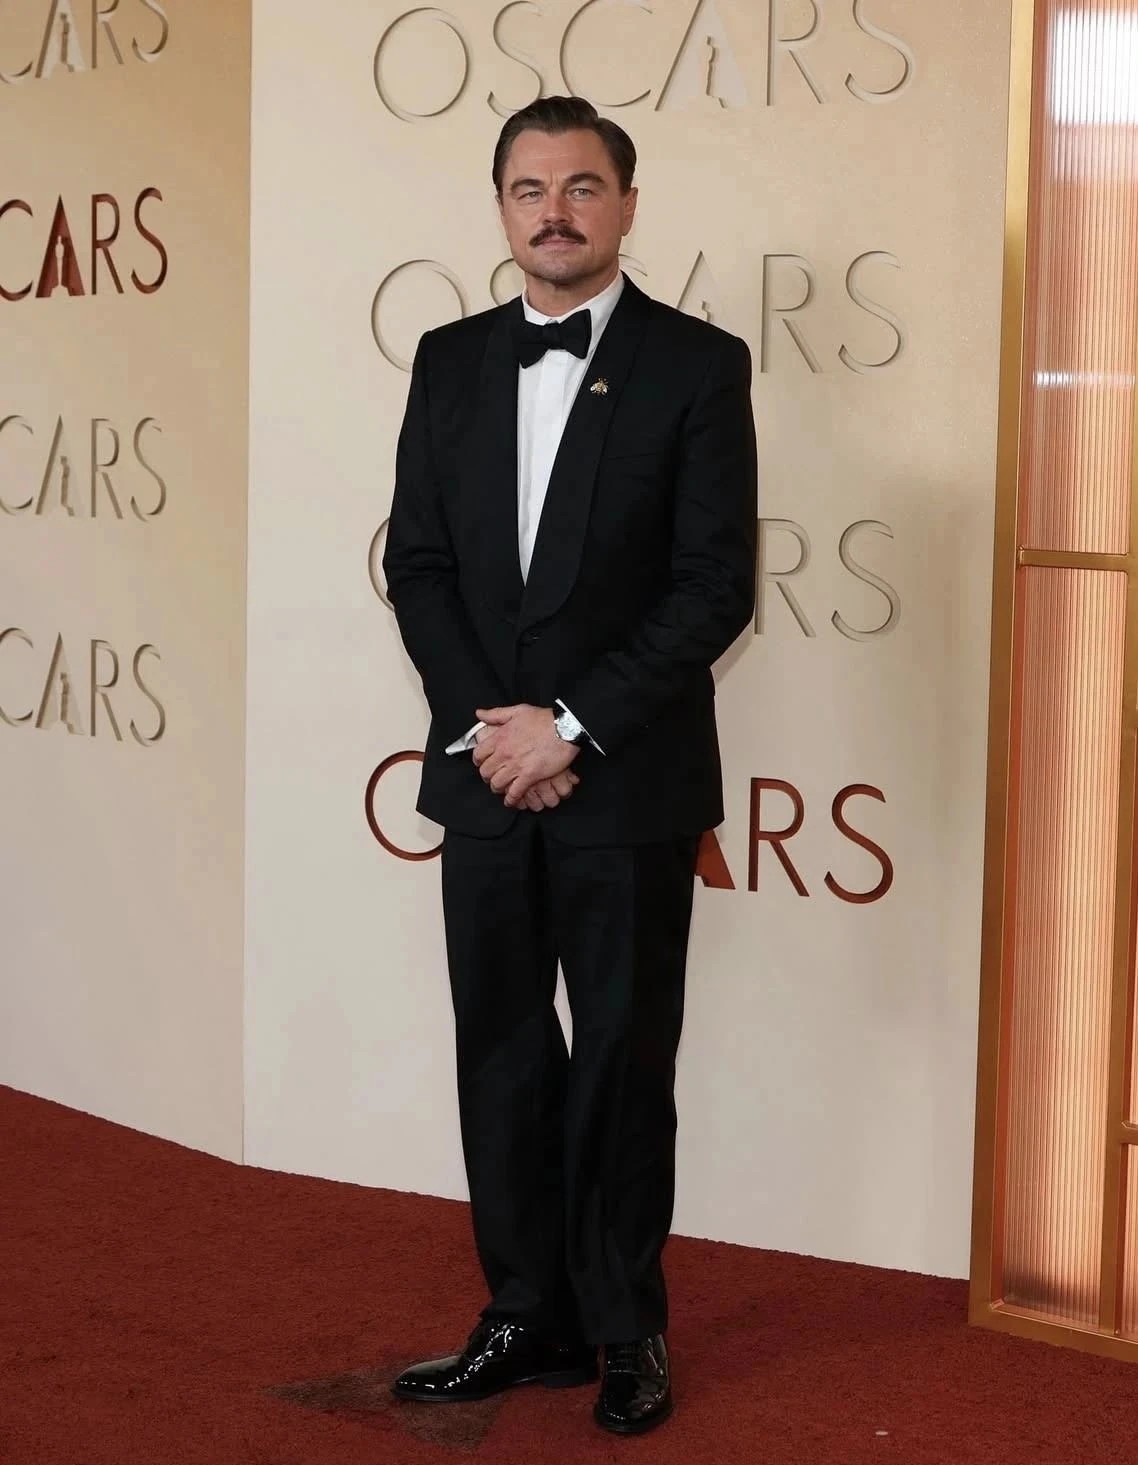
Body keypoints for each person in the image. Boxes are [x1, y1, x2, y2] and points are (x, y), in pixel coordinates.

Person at [383, 95, 757, 1436]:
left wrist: (571, 728)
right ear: (501, 208)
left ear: (627, 206)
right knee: (500, 1054)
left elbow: (713, 588)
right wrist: (497, 730)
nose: (555, 211)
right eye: (529, 188)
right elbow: (418, 563)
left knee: (621, 1059)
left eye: (582, 186)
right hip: (488, 776)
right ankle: (524, 1313)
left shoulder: (697, 365)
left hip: (627, 783)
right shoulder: (448, 360)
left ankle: (624, 1325)